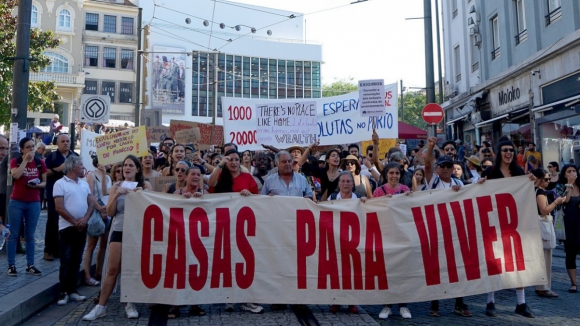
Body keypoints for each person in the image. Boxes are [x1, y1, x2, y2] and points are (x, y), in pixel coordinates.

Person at [83, 155, 152, 321]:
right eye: (125, 165)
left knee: (131, 269)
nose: (127, 168)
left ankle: (130, 304)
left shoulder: (145, 185)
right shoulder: (116, 186)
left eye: (130, 165)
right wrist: (115, 195)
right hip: (119, 229)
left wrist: (141, 195)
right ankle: (101, 307)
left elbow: (150, 209)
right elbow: (111, 212)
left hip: (136, 231)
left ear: (137, 169)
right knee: (113, 269)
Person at [480, 139, 535, 318]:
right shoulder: (491, 171)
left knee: (518, 261)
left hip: (514, 223)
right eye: (505, 150)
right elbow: (480, 193)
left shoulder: (518, 171)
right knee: (494, 261)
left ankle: (521, 302)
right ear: (499, 153)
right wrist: (480, 184)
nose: (508, 153)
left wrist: (531, 181)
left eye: (511, 150)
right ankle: (490, 301)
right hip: (494, 222)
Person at [422, 137, 471, 317]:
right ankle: (435, 304)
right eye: (442, 166)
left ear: (453, 169)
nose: (445, 169)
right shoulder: (433, 181)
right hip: (437, 230)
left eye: (448, 166)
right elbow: (427, 164)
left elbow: (474, 194)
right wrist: (431, 147)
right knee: (437, 267)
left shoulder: (459, 184)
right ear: (437, 169)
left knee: (458, 267)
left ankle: (459, 302)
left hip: (456, 231)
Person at [209, 149, 262, 313]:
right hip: (225, 225)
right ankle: (229, 298)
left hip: (243, 227)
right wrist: (219, 165)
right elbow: (210, 185)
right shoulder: (221, 176)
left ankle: (247, 299)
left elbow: (258, 200)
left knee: (245, 262)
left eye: (236, 160)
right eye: (230, 160)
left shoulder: (247, 178)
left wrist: (249, 195)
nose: (233, 162)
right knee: (227, 261)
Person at [261, 151, 313, 311]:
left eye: (289, 161)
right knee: (279, 264)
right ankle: (279, 298)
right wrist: (266, 200)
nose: (287, 164)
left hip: (297, 229)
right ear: (277, 164)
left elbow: (311, 198)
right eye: (283, 161)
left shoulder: (302, 180)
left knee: (298, 265)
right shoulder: (269, 182)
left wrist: (307, 201)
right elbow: (260, 204)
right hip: (277, 231)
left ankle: (298, 297)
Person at [53, 156, 99, 305]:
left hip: (81, 226)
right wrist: (74, 221)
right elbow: (59, 207)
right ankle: (63, 292)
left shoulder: (84, 184)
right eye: (80, 165)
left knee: (76, 259)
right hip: (67, 227)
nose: (83, 167)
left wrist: (85, 219)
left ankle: (73, 290)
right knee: (66, 260)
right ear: (72, 166)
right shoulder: (60, 184)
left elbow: (91, 203)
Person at [372, 162, 412, 319]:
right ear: (386, 175)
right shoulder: (379, 191)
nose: (394, 176)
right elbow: (373, 211)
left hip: (402, 236)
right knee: (386, 272)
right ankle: (387, 305)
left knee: (402, 271)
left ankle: (403, 305)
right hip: (386, 235)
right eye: (391, 173)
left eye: (397, 173)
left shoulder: (405, 190)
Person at [5, 137, 47, 276]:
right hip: (17, 202)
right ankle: (11, 265)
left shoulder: (40, 163)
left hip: (34, 202)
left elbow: (44, 183)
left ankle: (30, 265)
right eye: (28, 147)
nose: (31, 149)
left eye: (32, 147)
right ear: (22, 150)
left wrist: (36, 185)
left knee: (30, 235)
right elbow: (16, 175)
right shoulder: (15, 161)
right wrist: (25, 160)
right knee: (13, 234)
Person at [44, 134, 78, 261]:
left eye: (68, 141)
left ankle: (61, 250)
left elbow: (80, 171)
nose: (66, 143)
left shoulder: (74, 156)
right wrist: (58, 169)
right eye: (63, 141)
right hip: (55, 194)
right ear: (57, 144)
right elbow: (44, 172)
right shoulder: (52, 156)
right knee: (53, 220)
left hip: (71, 194)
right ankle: (49, 250)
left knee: (67, 221)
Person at [531, 168, 564, 298]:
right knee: (545, 258)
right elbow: (544, 210)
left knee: (543, 258)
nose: (548, 181)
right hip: (542, 225)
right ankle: (543, 287)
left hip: (538, 225)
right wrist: (556, 202)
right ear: (538, 179)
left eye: (549, 179)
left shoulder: (535, 190)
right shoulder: (540, 192)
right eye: (545, 179)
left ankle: (542, 286)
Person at [83, 156, 111, 286]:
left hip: (107, 213)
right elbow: (91, 195)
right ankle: (87, 275)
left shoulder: (109, 177)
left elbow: (107, 194)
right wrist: (100, 209)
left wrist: (107, 210)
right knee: (91, 245)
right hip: (96, 212)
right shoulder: (92, 176)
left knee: (104, 245)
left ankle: (99, 271)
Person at [554, 164, 580, 294]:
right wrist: (569, 184)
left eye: (574, 171)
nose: (572, 173)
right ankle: (574, 283)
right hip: (568, 224)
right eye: (569, 171)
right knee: (571, 253)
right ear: (564, 174)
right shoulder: (559, 187)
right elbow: (565, 200)